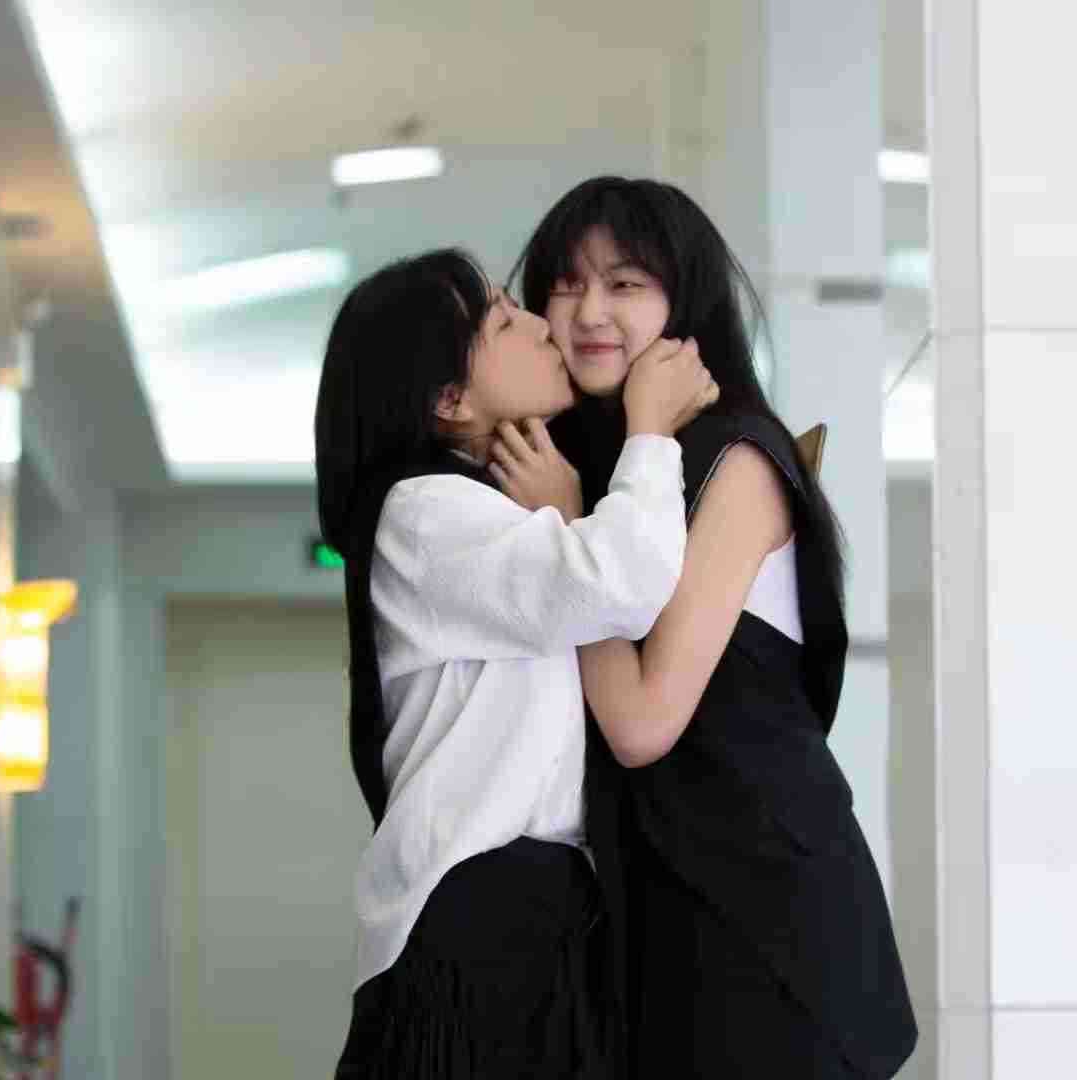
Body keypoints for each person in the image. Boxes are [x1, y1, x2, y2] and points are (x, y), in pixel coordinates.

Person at [509, 177, 918, 1078]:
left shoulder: (736, 461)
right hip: (672, 922)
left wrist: (568, 534)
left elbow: (641, 721)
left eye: (625, 284)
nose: (589, 312)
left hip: (770, 931)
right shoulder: (610, 469)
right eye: (566, 284)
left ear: (685, 303)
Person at [313, 247, 716, 1078]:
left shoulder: (466, 507)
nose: (541, 324)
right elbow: (622, 583)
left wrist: (566, 508)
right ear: (450, 399)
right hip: (483, 914)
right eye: (502, 320)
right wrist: (648, 431)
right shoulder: (425, 512)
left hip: (520, 909)